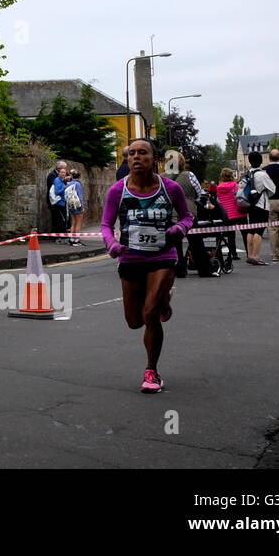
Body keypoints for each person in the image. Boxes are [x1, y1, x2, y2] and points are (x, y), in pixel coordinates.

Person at [100, 137, 194, 394]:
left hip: (162, 257)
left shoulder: (171, 188)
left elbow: (187, 216)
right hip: (130, 258)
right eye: (132, 154)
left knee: (150, 314)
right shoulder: (117, 191)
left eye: (142, 153)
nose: (136, 157)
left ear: (155, 159)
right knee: (134, 321)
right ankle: (164, 300)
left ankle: (152, 371)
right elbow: (106, 225)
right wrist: (111, 244)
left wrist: (179, 228)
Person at [240, 152, 274, 265]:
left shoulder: (246, 175)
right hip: (261, 205)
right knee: (259, 231)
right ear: (260, 161)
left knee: (251, 230)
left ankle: (250, 255)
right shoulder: (263, 175)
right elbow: (272, 189)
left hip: (250, 205)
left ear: (249, 161)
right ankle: (256, 256)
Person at [214, 168, 245, 262]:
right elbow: (239, 197)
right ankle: (250, 253)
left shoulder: (218, 188)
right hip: (239, 213)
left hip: (227, 215)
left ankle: (233, 254)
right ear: (231, 175)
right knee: (245, 234)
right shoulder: (236, 186)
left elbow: (218, 201)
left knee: (231, 236)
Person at [47, 160, 70, 243]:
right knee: (59, 220)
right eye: (63, 171)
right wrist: (66, 187)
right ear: (59, 171)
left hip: (62, 202)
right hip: (57, 203)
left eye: (65, 172)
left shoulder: (61, 179)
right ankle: (57, 238)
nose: (64, 173)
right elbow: (57, 191)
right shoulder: (56, 179)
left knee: (62, 220)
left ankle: (61, 237)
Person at [65, 169, 85, 245]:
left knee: (73, 223)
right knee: (78, 223)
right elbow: (80, 196)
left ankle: (72, 239)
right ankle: (76, 240)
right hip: (77, 206)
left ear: (72, 176)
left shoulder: (68, 184)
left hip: (71, 206)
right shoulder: (77, 184)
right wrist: (82, 207)